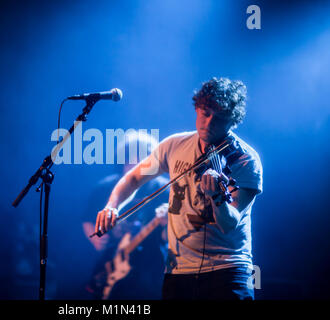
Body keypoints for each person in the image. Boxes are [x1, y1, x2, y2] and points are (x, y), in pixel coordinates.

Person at [94, 77, 263, 300]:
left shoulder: (245, 161)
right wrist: (112, 206)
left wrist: (217, 197)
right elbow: (133, 178)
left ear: (232, 121)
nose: (209, 123)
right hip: (178, 271)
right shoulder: (174, 145)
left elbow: (229, 224)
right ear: (197, 108)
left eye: (219, 117)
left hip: (227, 271)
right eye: (205, 112)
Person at [81, 131, 169, 299]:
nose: (134, 167)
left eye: (140, 161)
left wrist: (167, 224)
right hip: (110, 264)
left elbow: (172, 235)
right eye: (129, 161)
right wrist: (95, 238)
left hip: (149, 267)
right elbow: (86, 218)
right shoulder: (105, 187)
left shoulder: (165, 189)